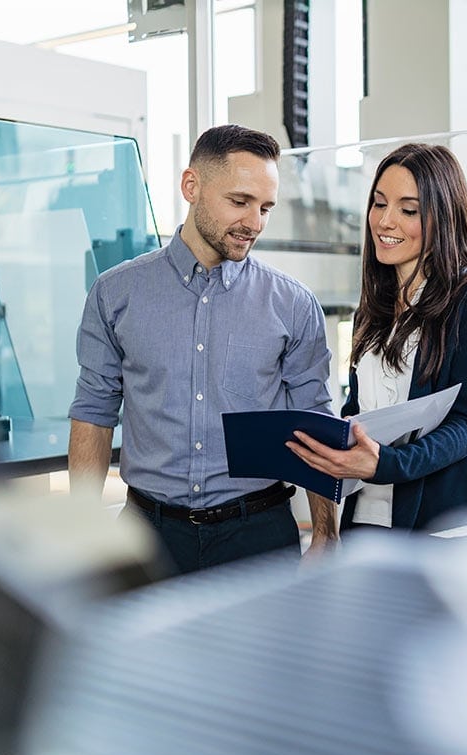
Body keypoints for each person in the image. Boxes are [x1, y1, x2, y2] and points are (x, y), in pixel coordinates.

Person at [68, 124, 337, 574]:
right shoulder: (115, 294)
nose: (254, 223)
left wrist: (328, 532)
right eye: (240, 201)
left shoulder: (292, 304)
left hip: (259, 535)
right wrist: (80, 532)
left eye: (265, 207)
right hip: (147, 535)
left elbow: (316, 420)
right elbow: (94, 413)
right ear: (191, 186)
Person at [286, 143, 467, 541]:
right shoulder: (373, 307)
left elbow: (464, 426)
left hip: (439, 532)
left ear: (441, 216)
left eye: (408, 210)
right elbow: (359, 412)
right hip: (365, 524)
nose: (385, 222)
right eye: (378, 204)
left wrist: (384, 464)